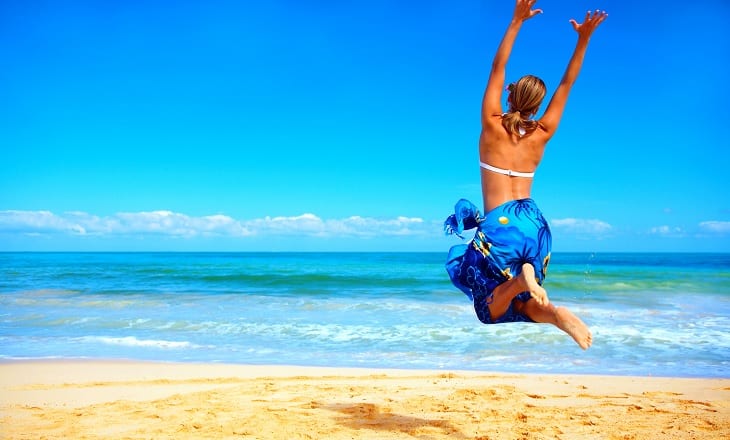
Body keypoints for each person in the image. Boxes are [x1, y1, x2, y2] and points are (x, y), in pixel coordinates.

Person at [444, 0, 607, 350]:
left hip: (501, 225)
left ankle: (521, 280)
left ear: (509, 93)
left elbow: (497, 65)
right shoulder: (543, 132)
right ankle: (554, 311)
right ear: (536, 105)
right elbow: (567, 85)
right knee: (527, 307)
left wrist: (516, 20)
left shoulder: (491, 125)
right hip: (534, 224)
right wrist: (583, 40)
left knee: (487, 310)